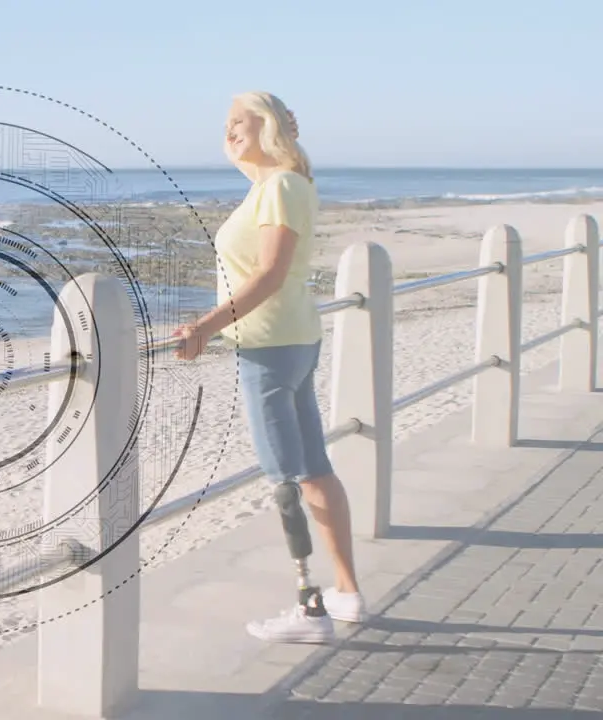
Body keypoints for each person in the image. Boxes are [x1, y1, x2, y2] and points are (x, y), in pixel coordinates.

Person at [172, 91, 365, 643]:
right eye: (224, 122)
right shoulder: (281, 183)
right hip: (293, 339)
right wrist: (258, 137)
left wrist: (205, 328)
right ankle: (346, 593)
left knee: (284, 478)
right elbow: (251, 161)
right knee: (312, 469)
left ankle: (310, 611)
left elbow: (270, 274)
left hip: (267, 345)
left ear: (271, 128)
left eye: (241, 122)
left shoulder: (279, 187)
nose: (229, 130)